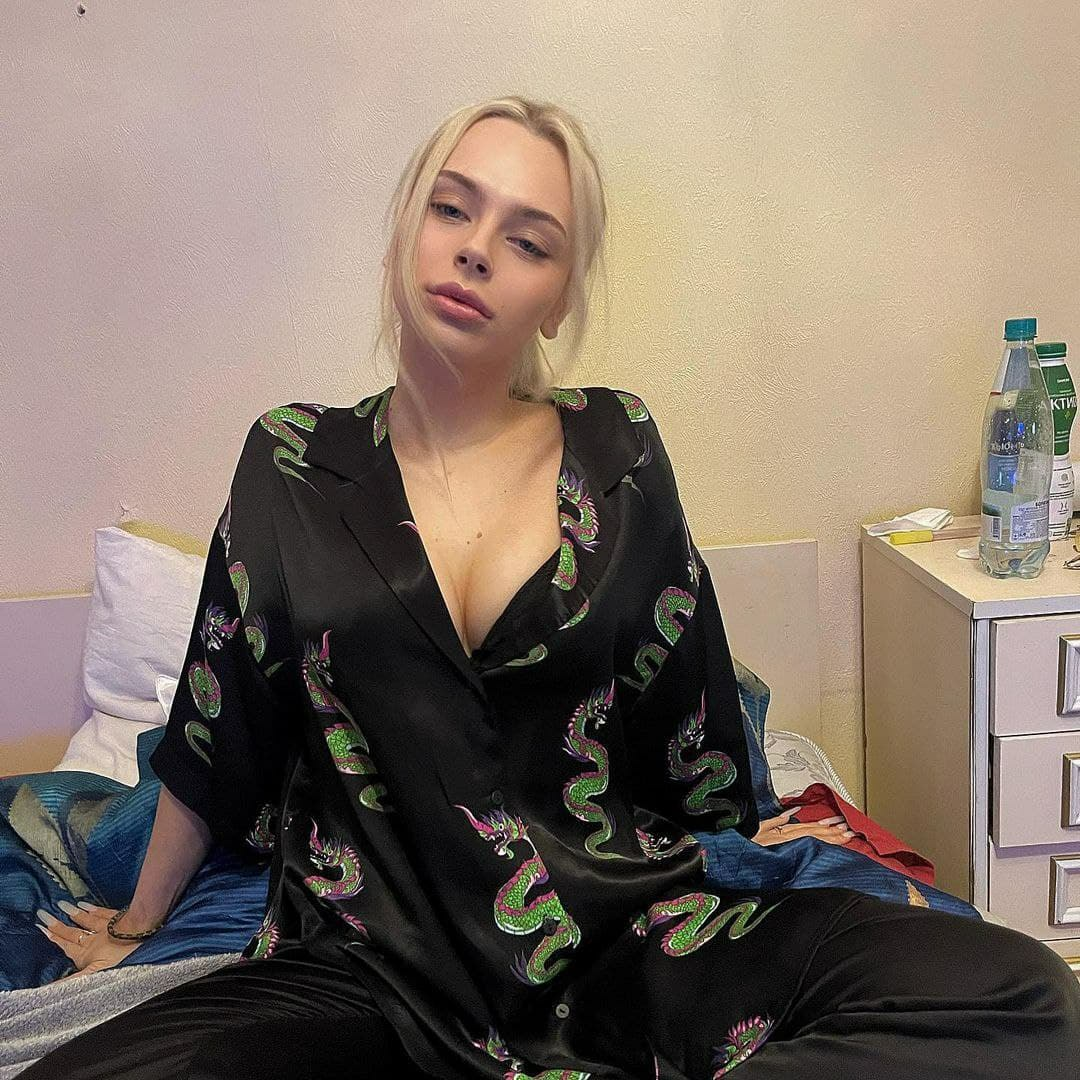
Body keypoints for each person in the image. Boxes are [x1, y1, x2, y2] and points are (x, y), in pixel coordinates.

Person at [24, 95, 1080, 1080]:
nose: (476, 248)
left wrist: (756, 842)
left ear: (559, 297)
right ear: (405, 231)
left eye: (529, 241)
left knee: (1023, 998)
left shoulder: (618, 449)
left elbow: (688, 710)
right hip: (372, 967)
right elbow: (222, 728)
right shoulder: (293, 461)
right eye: (451, 209)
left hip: (622, 941)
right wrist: (137, 924)